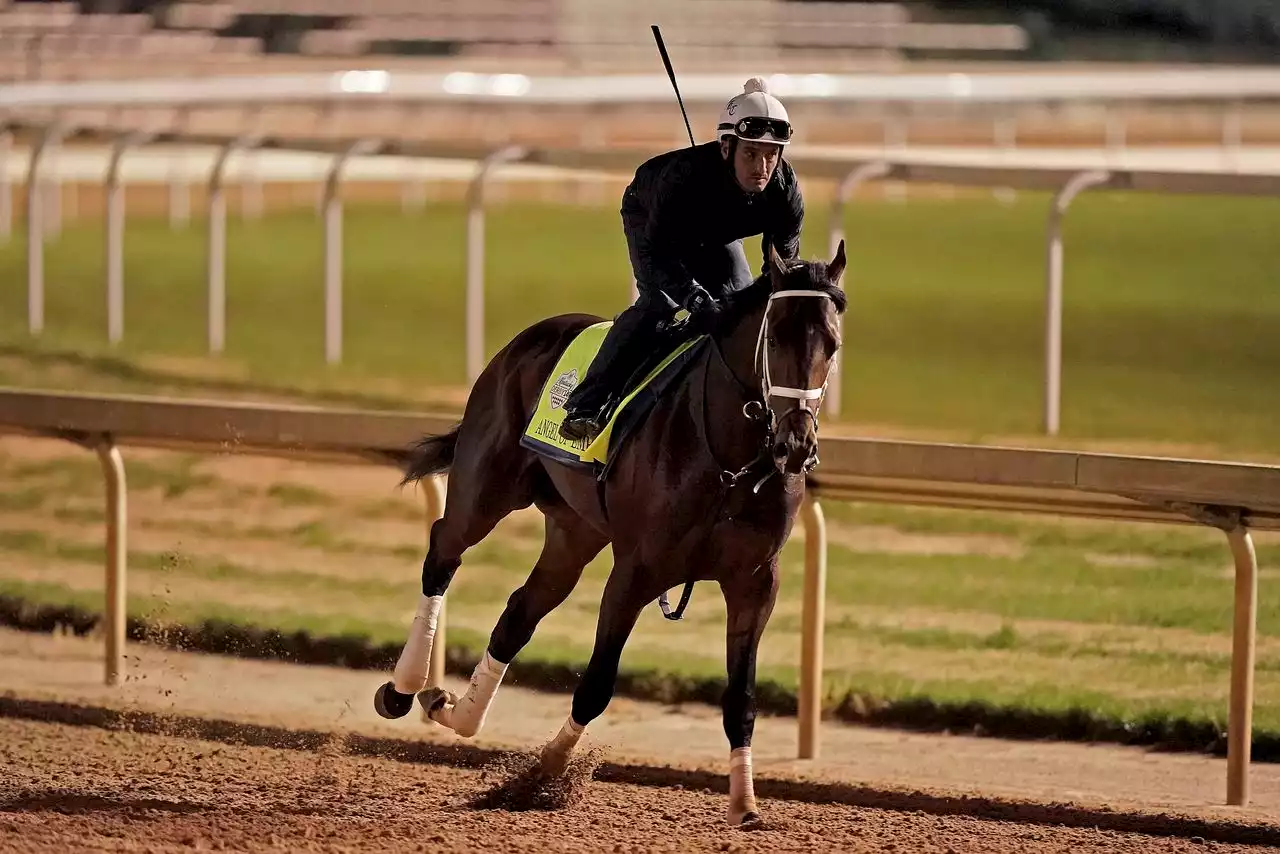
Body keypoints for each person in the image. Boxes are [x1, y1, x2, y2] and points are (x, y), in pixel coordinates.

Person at [558, 76, 805, 444]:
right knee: (662, 303)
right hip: (653, 222)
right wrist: (694, 297)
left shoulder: (785, 192)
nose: (762, 166)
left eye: (771, 154)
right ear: (726, 147)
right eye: (750, 153)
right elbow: (658, 254)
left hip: (717, 235)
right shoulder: (682, 180)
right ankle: (586, 405)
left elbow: (780, 271)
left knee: (738, 315)